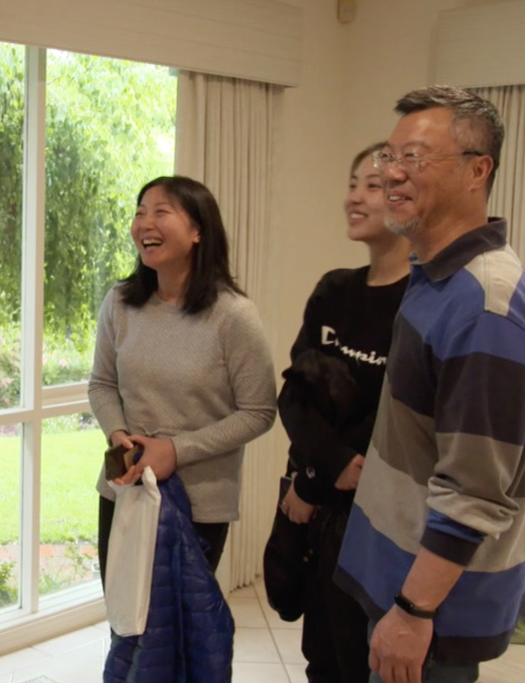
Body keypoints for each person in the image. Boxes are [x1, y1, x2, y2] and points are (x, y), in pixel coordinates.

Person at [335, 85, 525, 683]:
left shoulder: (485, 307)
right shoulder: (435, 274)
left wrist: (414, 612)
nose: (391, 174)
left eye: (413, 157)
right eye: (389, 158)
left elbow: (476, 491)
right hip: (397, 577)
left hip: (432, 611)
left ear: (478, 170)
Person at [89, 175, 277, 579]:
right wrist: (118, 434)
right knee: (125, 624)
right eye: (140, 212)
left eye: (161, 212)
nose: (145, 223)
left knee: (180, 634)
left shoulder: (234, 316)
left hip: (197, 504)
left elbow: (259, 411)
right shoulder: (120, 303)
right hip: (124, 491)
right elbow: (102, 383)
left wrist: (175, 450)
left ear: (197, 232)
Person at [277, 142, 411, 683]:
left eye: (373, 186)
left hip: (379, 520)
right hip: (316, 506)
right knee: (322, 658)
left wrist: (342, 469)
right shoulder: (334, 290)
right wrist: (319, 473)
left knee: (364, 660)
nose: (354, 197)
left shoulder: (422, 301)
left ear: (406, 198)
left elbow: (394, 414)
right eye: (353, 183)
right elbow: (296, 394)